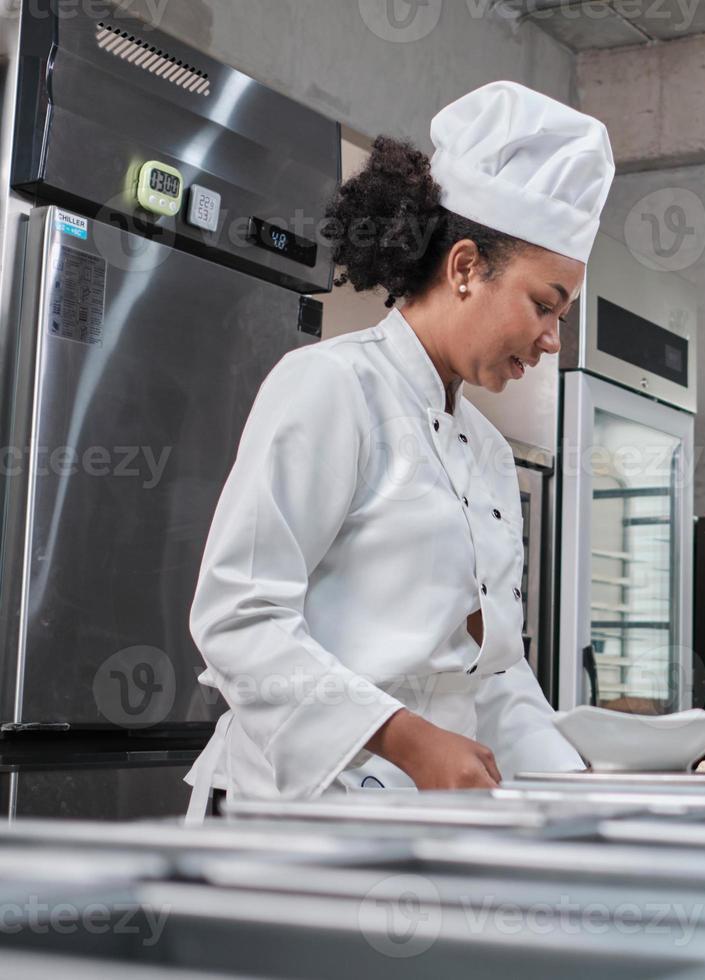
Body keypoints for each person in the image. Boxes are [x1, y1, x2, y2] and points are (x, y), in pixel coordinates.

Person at [183, 81, 614, 818]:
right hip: (290, 822)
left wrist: (584, 794)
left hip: (419, 827)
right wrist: (406, 737)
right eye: (546, 305)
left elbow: (492, 678)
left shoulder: (486, 451)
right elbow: (238, 618)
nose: (553, 340)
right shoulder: (331, 388)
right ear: (466, 267)